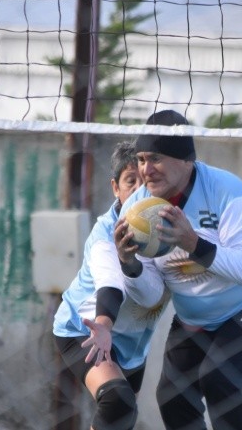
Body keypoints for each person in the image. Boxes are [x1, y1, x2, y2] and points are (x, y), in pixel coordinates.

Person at [114, 110, 242, 430]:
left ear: (186, 160)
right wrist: (130, 266)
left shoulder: (227, 191)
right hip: (196, 318)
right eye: (141, 159)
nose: (145, 169)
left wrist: (193, 242)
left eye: (155, 158)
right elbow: (153, 294)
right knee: (172, 397)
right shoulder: (136, 211)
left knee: (219, 380)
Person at [53, 141, 168, 430]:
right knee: (118, 405)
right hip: (87, 330)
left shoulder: (169, 227)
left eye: (147, 183)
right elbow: (110, 283)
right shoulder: (106, 234)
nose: (140, 192)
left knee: (122, 420)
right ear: (116, 188)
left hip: (133, 340)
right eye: (132, 182)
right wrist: (103, 324)